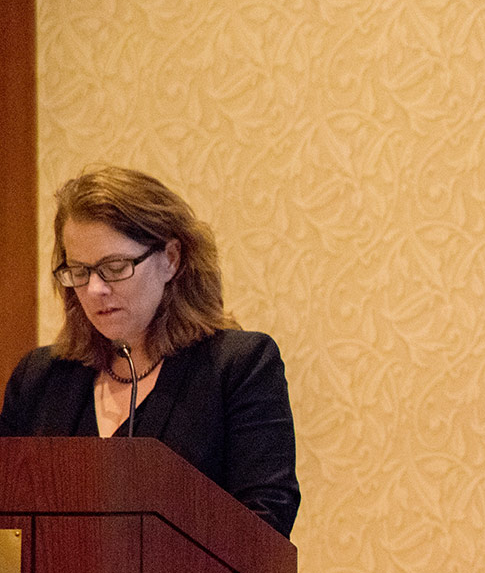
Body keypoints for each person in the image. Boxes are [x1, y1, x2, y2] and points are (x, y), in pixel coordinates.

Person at [0, 166, 300, 537]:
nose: (95, 290)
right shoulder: (39, 379)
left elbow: (263, 527)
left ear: (171, 258)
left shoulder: (239, 367)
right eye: (79, 271)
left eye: (115, 267)